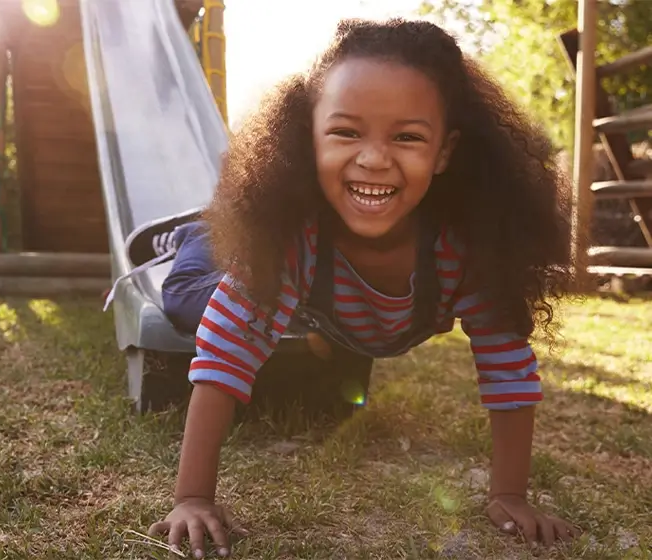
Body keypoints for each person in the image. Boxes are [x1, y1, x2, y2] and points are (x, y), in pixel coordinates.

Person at [147, 17, 580, 558]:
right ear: (309, 137)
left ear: (444, 152)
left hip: (346, 317)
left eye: (407, 137)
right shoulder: (290, 240)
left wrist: (509, 493)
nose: (374, 158)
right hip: (258, 272)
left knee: (296, 324)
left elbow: (508, 369)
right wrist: (191, 496)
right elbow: (223, 357)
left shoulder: (468, 249)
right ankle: (192, 233)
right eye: (347, 131)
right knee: (191, 301)